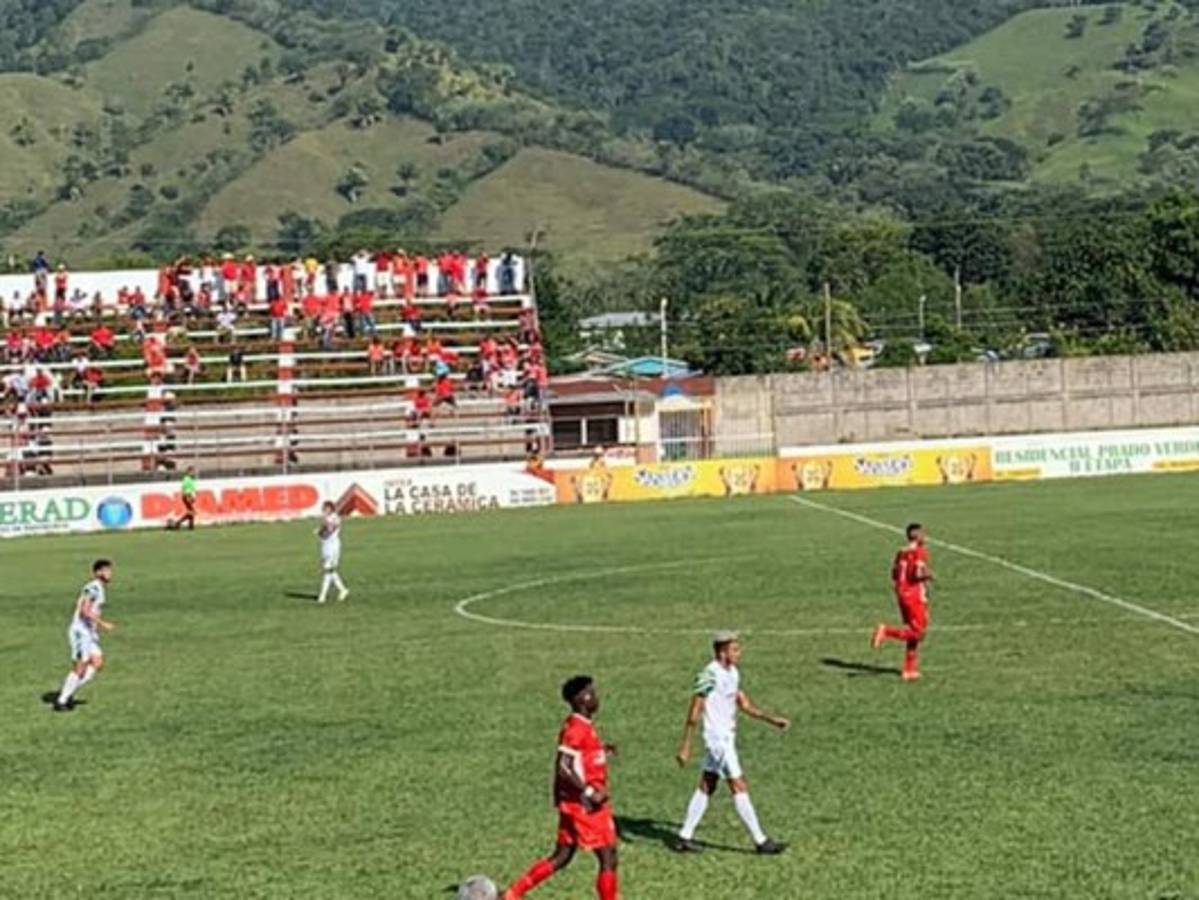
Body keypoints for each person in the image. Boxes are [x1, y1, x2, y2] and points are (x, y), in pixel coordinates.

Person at [503, 676, 620, 900]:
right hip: (585, 805)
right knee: (608, 856)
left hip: (573, 803)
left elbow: (580, 758)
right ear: (579, 699)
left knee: (563, 855)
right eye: (591, 693)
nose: (596, 697)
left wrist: (603, 751)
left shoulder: (582, 726)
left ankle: (513, 894)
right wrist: (588, 792)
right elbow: (563, 767)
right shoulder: (576, 729)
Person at [672, 632, 788, 855]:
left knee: (708, 784)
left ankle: (683, 836)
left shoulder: (733, 673)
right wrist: (686, 745)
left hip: (727, 737)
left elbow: (744, 703)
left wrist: (770, 719)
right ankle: (761, 841)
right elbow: (695, 710)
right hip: (718, 739)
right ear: (722, 652)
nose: (739, 653)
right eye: (735, 650)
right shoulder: (709, 675)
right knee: (738, 784)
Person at [871, 522, 934, 681]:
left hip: (901, 593)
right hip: (914, 595)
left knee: (912, 630)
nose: (925, 537)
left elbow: (893, 573)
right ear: (918, 536)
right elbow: (916, 573)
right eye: (923, 534)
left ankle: (909, 669)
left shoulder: (901, 552)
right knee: (918, 633)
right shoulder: (920, 552)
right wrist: (928, 576)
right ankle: (886, 631)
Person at [53, 559, 116, 712]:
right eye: (106, 570)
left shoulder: (99, 588)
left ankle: (68, 690)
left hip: (89, 632)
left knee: (97, 662)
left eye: (110, 570)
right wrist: (103, 623)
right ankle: (61, 701)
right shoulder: (93, 588)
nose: (109, 573)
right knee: (80, 666)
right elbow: (85, 610)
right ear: (98, 573)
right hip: (80, 632)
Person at [316, 500, 349, 604]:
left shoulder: (334, 518)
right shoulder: (326, 518)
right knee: (331, 571)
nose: (323, 510)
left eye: (325, 508)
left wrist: (320, 532)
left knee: (328, 570)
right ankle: (343, 590)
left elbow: (329, 531)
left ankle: (322, 596)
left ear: (330, 509)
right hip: (326, 546)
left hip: (333, 547)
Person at [167, 467, 198, 531]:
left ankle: (191, 526)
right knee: (192, 512)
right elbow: (185, 488)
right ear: (189, 472)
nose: (193, 473)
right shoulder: (186, 479)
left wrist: (194, 495)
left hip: (190, 496)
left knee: (191, 511)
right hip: (187, 496)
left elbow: (192, 488)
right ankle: (178, 523)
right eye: (192, 472)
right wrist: (188, 496)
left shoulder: (190, 479)